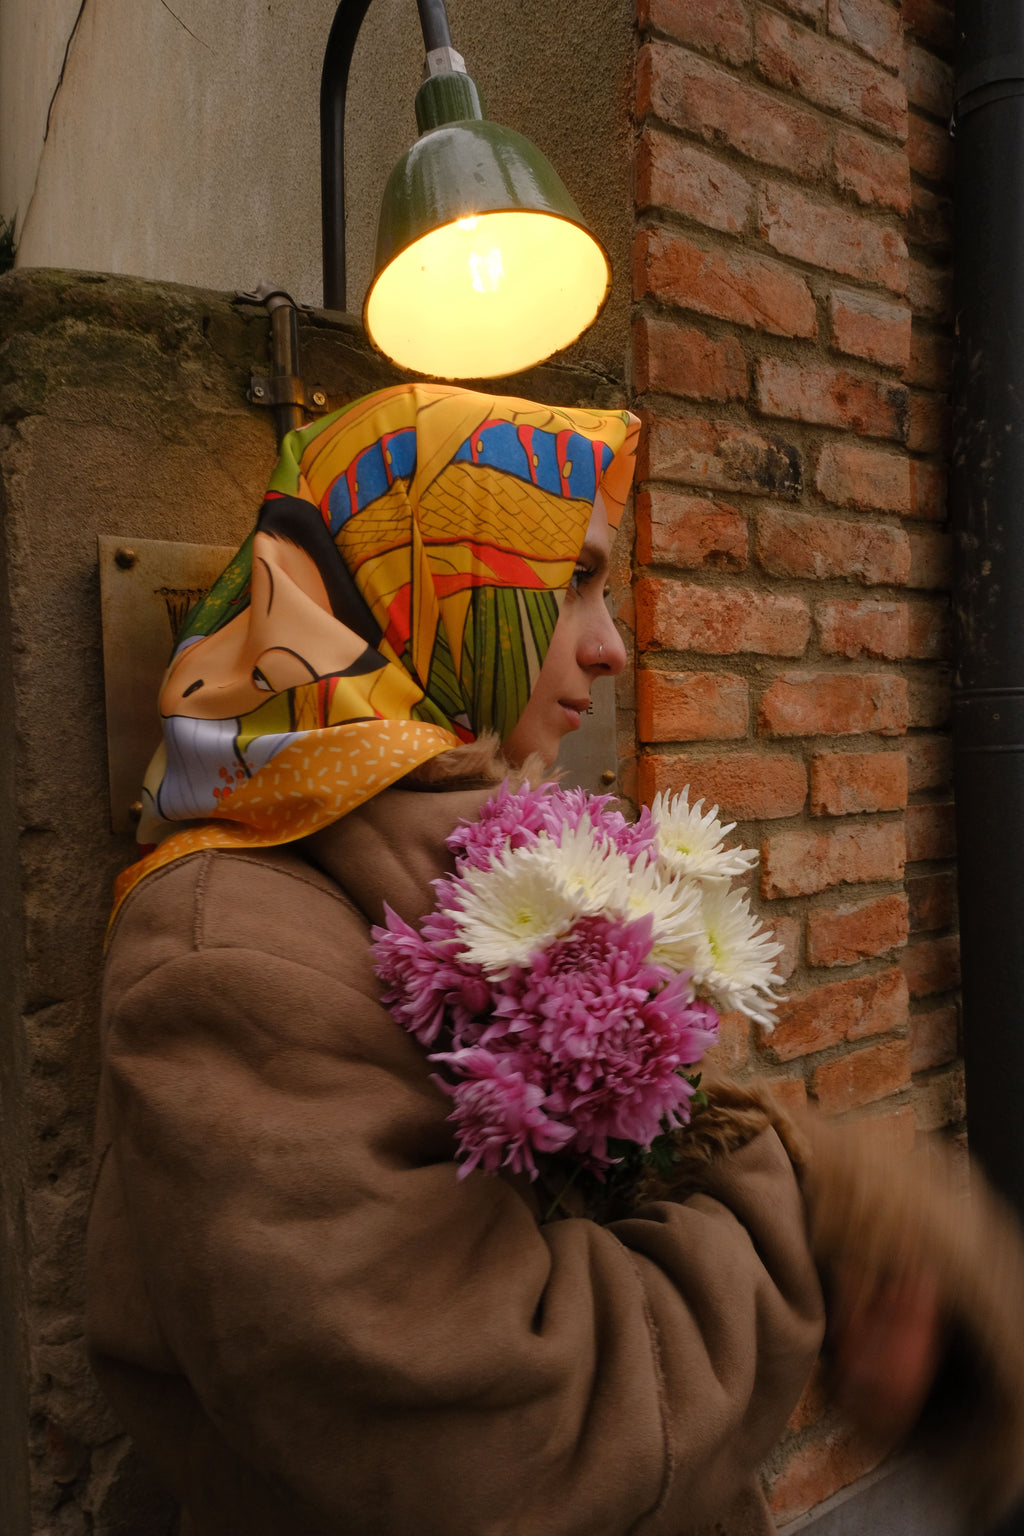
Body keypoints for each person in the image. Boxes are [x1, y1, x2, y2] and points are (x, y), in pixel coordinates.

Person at [88, 383, 1024, 1536]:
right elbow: (510, 1449)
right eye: (572, 580)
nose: (612, 645)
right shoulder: (228, 951)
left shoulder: (488, 859)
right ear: (424, 578)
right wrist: (799, 1233)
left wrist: (871, 1228)